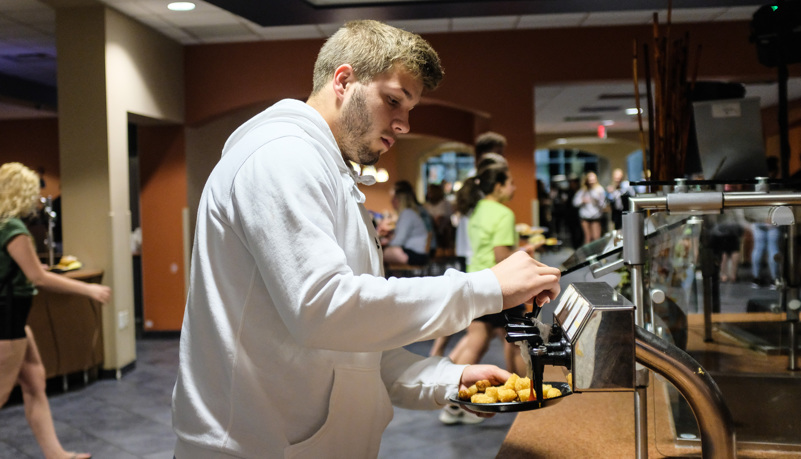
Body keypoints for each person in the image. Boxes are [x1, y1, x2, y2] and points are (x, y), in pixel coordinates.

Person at [171, 20, 561, 458]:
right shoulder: (281, 155)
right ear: (344, 80)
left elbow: (355, 342)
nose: (404, 124)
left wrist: (447, 379)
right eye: (393, 100)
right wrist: (486, 287)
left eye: (409, 109)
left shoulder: (329, 168)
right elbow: (323, 309)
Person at [0, 162, 111, 459]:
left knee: (35, 382)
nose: (37, 199)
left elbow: (19, 270)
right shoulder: (12, 227)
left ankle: (55, 454)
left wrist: (30, 268)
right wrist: (89, 289)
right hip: (7, 321)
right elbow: (38, 278)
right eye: (33, 192)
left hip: (15, 319)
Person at [438, 164, 540, 425]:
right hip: (498, 286)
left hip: (476, 281)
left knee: (481, 340)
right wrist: (526, 252)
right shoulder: (503, 213)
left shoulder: (475, 210)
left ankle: (452, 400)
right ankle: (528, 401)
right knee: (517, 344)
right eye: (511, 183)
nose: (514, 188)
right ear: (498, 186)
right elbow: (500, 256)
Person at [381, 180, 432, 266]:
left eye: (394, 198)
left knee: (383, 252)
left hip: (416, 254)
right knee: (386, 251)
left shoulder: (407, 213)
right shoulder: (410, 212)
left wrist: (386, 242)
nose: (391, 201)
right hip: (417, 252)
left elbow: (399, 241)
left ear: (399, 200)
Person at [572, 171, 606, 245]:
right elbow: (575, 203)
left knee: (596, 237)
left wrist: (597, 200)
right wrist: (582, 200)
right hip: (585, 216)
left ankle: (597, 255)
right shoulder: (583, 190)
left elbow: (603, 204)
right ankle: (587, 256)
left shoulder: (599, 189)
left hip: (596, 216)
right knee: (588, 237)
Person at [423, 182, 454, 255]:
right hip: (431, 234)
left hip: (443, 235)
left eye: (430, 191)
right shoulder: (427, 205)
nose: (429, 193)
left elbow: (440, 220)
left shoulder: (444, 204)